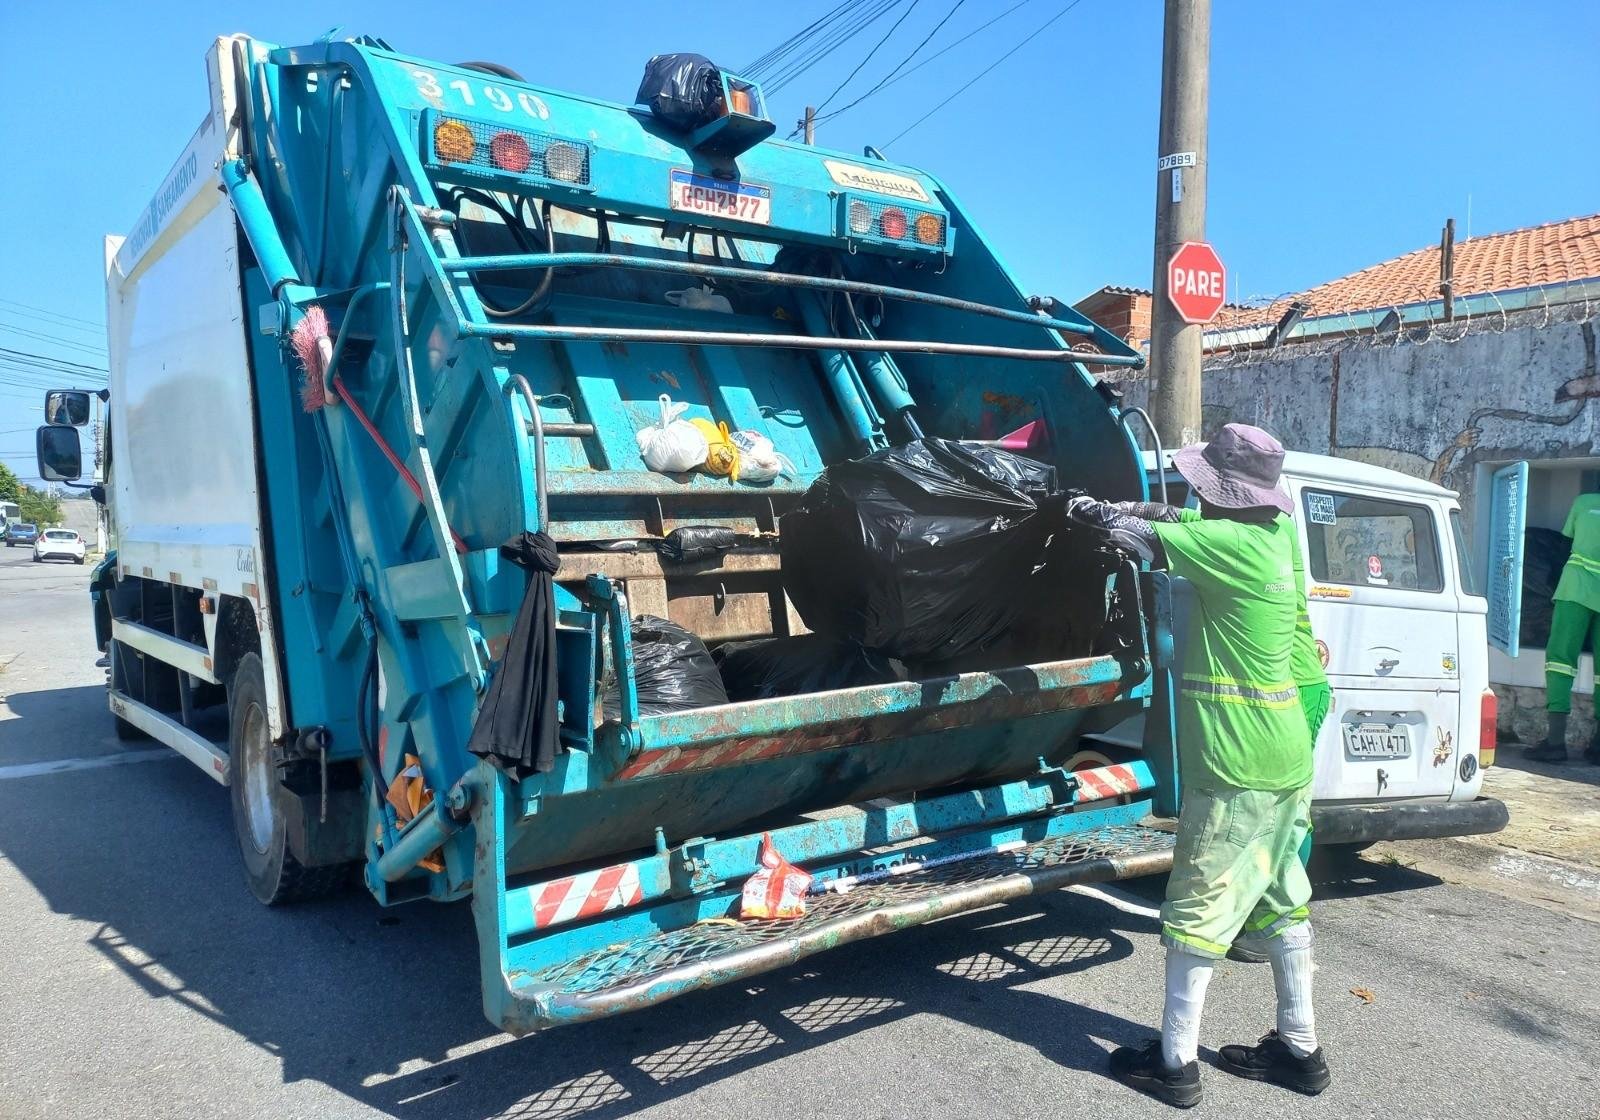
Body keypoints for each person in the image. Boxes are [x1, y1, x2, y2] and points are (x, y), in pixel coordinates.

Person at [1068, 423, 1329, 1109]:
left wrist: (1082, 509)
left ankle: (1175, 1064)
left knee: (1197, 906)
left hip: (1236, 759)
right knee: (1277, 896)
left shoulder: (1227, 547)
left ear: (1225, 492)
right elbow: (1175, 520)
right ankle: (1300, 1049)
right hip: (1285, 756)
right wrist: (1142, 508)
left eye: (1204, 485)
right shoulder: (1270, 538)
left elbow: (1138, 538)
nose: (1195, 495)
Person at [1529, 491, 1600, 764]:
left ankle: (1556, 742)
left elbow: (1563, 545)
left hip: (1575, 590)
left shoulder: (1583, 502)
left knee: (1560, 661)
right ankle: (1598, 746)